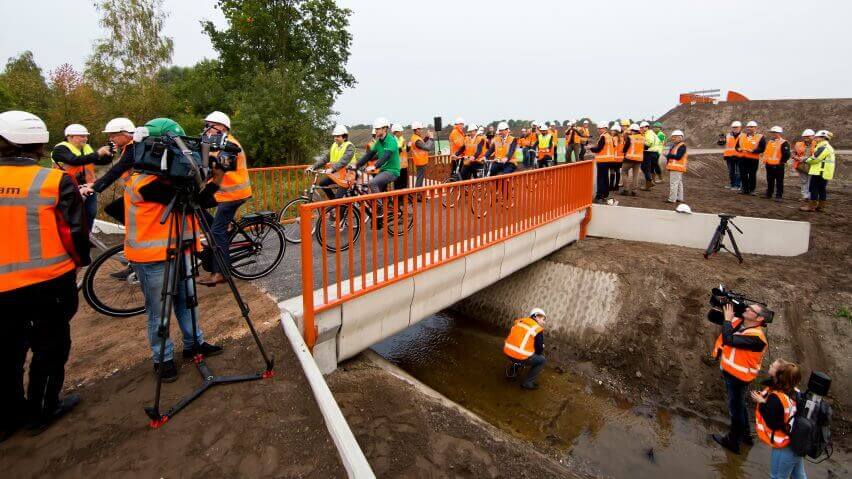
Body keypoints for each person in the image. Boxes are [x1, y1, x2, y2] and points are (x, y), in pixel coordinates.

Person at [0, 111, 89, 441]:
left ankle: (7, 417)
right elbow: (74, 231)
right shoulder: (52, 180)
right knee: (50, 348)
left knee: (6, 353)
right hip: (46, 282)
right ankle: (41, 410)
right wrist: (79, 261)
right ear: (39, 144)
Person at [124, 118, 224, 382]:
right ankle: (163, 359)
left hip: (183, 249)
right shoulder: (142, 182)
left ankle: (194, 344)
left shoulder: (169, 179)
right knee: (160, 310)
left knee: (188, 301)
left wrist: (217, 176)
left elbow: (202, 200)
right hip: (153, 256)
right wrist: (201, 172)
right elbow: (177, 193)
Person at [197, 111, 252, 288]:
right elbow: (206, 166)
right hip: (223, 193)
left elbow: (221, 168)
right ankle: (222, 228)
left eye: (208, 126)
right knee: (195, 206)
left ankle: (221, 272)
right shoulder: (215, 144)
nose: (205, 129)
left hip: (234, 195)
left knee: (217, 231)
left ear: (221, 127)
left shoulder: (230, 145)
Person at [711, 302, 769, 454]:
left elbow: (729, 339)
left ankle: (733, 442)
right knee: (740, 406)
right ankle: (746, 436)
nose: (747, 309)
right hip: (733, 374)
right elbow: (712, 316)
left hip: (739, 378)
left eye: (751, 310)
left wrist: (728, 319)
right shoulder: (741, 323)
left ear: (759, 318)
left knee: (735, 411)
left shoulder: (757, 338)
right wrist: (723, 304)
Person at [51, 123, 113, 232]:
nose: (86, 138)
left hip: (88, 186)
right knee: (69, 214)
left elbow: (101, 161)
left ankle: (86, 236)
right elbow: (74, 160)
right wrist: (98, 152)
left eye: (86, 136)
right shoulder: (60, 149)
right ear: (70, 137)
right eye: (82, 136)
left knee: (90, 212)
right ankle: (67, 238)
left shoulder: (86, 148)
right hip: (67, 187)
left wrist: (109, 153)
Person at [751, 359, 807, 479]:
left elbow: (774, 423)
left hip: (785, 446)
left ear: (779, 375)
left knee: (776, 477)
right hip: (797, 442)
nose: (769, 366)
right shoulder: (795, 392)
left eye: (772, 366)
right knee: (799, 476)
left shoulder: (775, 399)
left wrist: (762, 403)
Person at [78, 118, 138, 204]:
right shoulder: (129, 146)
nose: (110, 139)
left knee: (115, 209)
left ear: (125, 134)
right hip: (135, 191)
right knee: (114, 209)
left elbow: (117, 169)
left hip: (141, 193)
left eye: (113, 136)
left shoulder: (133, 148)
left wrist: (94, 187)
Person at [353, 117, 400, 197]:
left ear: (384, 129)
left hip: (392, 171)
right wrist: (356, 165)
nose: (375, 131)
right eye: (375, 129)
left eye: (378, 129)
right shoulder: (378, 143)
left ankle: (379, 207)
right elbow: (369, 155)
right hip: (382, 171)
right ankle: (382, 205)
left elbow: (386, 156)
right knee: (374, 190)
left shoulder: (391, 141)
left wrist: (374, 166)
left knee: (372, 183)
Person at [503, 308, 547, 390]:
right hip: (519, 356)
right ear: (536, 316)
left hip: (507, 351)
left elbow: (517, 340)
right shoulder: (537, 329)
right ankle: (528, 383)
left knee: (521, 352)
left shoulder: (519, 322)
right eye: (543, 319)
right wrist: (541, 346)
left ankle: (513, 370)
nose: (544, 322)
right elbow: (539, 350)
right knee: (542, 360)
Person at [307, 124, 355, 200]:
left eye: (338, 136)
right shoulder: (334, 145)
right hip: (337, 175)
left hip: (347, 176)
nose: (335, 138)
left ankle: (338, 207)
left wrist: (332, 169)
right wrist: (313, 166)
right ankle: (333, 203)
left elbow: (343, 161)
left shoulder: (349, 146)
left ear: (344, 137)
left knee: (338, 199)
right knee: (322, 183)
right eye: (335, 136)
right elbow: (325, 158)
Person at [799, 130, 835, 212]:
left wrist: (804, 159)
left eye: (818, 137)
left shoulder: (823, 147)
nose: (816, 138)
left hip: (819, 172)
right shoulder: (827, 146)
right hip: (824, 172)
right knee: (822, 189)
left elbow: (815, 159)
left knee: (813, 188)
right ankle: (821, 207)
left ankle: (811, 207)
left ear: (823, 138)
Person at [760, 126, 790, 202]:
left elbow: (786, 154)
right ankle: (769, 194)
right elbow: (767, 153)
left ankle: (779, 195)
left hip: (778, 165)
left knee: (779, 181)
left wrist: (781, 162)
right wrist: (765, 161)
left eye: (775, 132)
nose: (773, 134)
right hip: (769, 164)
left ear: (779, 133)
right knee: (770, 180)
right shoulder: (770, 142)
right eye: (772, 132)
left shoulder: (784, 142)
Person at [589, 121, 616, 203]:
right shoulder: (609, 136)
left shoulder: (603, 137)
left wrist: (590, 148)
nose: (599, 130)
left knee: (600, 178)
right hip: (609, 160)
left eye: (601, 128)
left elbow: (598, 149)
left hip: (602, 161)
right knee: (605, 178)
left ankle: (599, 196)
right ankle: (605, 194)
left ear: (605, 128)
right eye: (599, 128)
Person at [736, 120, 763, 195]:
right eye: (748, 127)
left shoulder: (760, 137)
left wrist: (753, 151)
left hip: (753, 159)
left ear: (755, 128)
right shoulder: (741, 136)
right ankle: (744, 189)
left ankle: (752, 190)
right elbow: (736, 147)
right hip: (742, 159)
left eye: (751, 127)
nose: (749, 128)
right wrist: (738, 149)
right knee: (743, 174)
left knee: (752, 175)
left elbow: (762, 148)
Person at [407, 122, 435, 188]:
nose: (421, 131)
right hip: (420, 161)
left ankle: (418, 194)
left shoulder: (415, 138)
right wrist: (431, 138)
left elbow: (422, 143)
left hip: (419, 160)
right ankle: (418, 195)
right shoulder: (417, 140)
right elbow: (427, 148)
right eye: (420, 129)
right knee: (420, 179)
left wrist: (427, 137)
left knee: (420, 178)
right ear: (416, 130)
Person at [718, 121, 743, 190]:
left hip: (739, 157)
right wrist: (720, 140)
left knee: (738, 172)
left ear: (740, 128)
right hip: (729, 157)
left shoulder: (743, 136)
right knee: (731, 172)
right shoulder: (728, 135)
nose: (735, 129)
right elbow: (721, 144)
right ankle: (732, 185)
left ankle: (737, 186)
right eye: (733, 127)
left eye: (736, 127)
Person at [620, 123, 644, 196]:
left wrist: (623, 151)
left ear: (633, 130)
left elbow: (625, 148)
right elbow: (644, 147)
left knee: (624, 172)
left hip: (629, 158)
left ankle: (626, 190)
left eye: (631, 130)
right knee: (635, 175)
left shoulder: (630, 138)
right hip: (638, 159)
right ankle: (634, 191)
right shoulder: (643, 138)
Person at [791, 129, 815, 202]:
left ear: (813, 136)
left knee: (811, 182)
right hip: (801, 166)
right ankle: (805, 196)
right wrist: (795, 157)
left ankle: (811, 196)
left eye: (808, 137)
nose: (806, 139)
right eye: (805, 137)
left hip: (812, 166)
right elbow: (793, 153)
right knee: (804, 181)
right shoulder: (798, 144)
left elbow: (816, 155)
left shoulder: (817, 144)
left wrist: (804, 158)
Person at [665, 130, 688, 204]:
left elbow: (678, 157)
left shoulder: (682, 146)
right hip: (676, 167)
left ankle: (672, 199)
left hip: (676, 168)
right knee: (678, 183)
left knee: (674, 184)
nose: (673, 139)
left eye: (675, 137)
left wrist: (668, 155)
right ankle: (679, 198)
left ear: (680, 138)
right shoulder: (675, 146)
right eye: (673, 137)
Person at [640, 121, 661, 191]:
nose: (642, 129)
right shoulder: (653, 133)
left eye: (643, 127)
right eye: (641, 128)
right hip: (655, 153)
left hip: (648, 152)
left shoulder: (648, 133)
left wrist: (641, 144)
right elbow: (658, 142)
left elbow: (648, 144)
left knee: (645, 168)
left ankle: (649, 182)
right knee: (648, 168)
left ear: (647, 127)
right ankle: (649, 184)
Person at [391, 124, 409, 191]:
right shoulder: (392, 140)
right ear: (396, 132)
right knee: (397, 184)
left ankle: (403, 199)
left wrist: (408, 147)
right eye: (400, 131)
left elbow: (405, 150)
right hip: (397, 166)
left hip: (404, 165)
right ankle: (398, 200)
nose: (402, 132)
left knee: (404, 183)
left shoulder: (402, 139)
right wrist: (400, 148)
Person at [610, 123, 624, 190]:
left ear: (616, 131)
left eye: (613, 130)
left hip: (614, 158)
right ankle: (616, 186)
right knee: (618, 171)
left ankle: (611, 186)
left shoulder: (613, 138)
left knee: (612, 171)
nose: (611, 131)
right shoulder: (622, 138)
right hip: (620, 159)